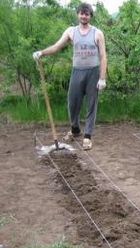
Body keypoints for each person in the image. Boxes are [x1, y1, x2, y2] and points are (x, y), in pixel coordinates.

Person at [33, 2, 107, 150]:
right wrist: (42, 52)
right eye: (81, 13)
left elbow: (103, 56)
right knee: (72, 103)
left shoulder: (97, 33)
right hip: (77, 71)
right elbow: (56, 46)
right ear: (78, 14)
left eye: (87, 14)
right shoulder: (71, 31)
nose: (84, 16)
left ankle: (87, 136)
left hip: (93, 72)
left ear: (90, 16)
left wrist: (102, 78)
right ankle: (75, 129)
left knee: (92, 104)